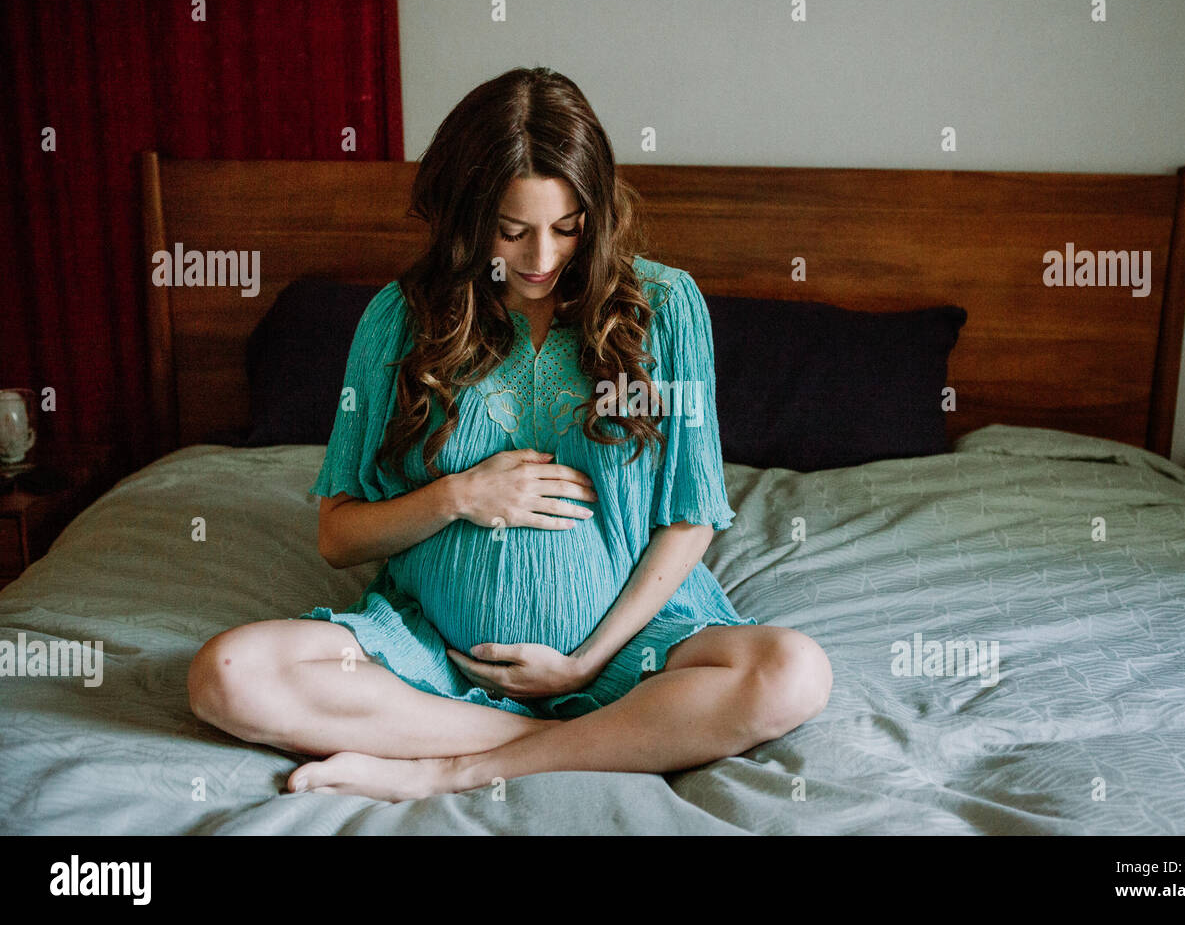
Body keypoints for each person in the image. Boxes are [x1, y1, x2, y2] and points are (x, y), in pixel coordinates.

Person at [187, 66, 832, 801]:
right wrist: (458, 496)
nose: (541, 260)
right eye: (512, 231)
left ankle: (453, 766)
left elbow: (691, 518)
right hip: (432, 658)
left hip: (632, 655)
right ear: (468, 219)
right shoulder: (398, 319)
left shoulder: (665, 307)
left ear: (595, 213)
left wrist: (585, 662)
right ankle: (601, 738)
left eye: (566, 228)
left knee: (795, 672)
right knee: (225, 676)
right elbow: (339, 537)